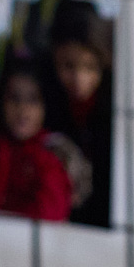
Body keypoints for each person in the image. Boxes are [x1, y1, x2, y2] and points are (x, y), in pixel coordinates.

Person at [0, 61, 75, 223]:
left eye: (33, 100)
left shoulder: (53, 154)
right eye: (14, 98)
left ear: (46, 106)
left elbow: (49, 216)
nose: (22, 109)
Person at [51, 20, 115, 228]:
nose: (79, 79)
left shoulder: (112, 111)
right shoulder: (47, 105)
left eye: (90, 67)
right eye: (69, 66)